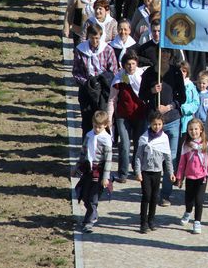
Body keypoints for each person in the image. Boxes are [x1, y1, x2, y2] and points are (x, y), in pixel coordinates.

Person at [139, 47, 186, 207]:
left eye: (168, 52)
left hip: (172, 120)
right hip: (154, 121)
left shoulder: (176, 73)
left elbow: (182, 98)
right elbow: (141, 95)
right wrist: (152, 90)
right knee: (150, 156)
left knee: (170, 158)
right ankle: (150, 190)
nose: (165, 55)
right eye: (162, 52)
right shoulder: (150, 73)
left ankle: (165, 194)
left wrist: (170, 107)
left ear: (171, 55)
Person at [106, 50, 147, 183]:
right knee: (124, 144)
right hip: (123, 116)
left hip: (140, 115)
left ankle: (136, 169)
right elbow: (112, 99)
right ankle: (122, 173)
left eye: (133, 63)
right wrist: (109, 117)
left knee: (138, 144)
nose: (131, 66)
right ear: (124, 65)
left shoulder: (143, 76)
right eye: (128, 64)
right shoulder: (119, 78)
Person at [72, 24, 119, 135]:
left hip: (103, 90)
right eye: (92, 38)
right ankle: (86, 146)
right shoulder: (81, 49)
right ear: (88, 36)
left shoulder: (107, 50)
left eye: (97, 38)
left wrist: (102, 81)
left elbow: (113, 70)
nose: (94, 41)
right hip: (87, 88)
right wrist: (86, 83)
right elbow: (76, 71)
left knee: (102, 119)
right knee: (87, 119)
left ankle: (104, 145)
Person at [135, 111, 176, 233]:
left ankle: (151, 220)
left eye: (159, 124)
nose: (157, 127)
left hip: (157, 171)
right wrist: (138, 172)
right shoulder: (144, 138)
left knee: (154, 197)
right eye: (154, 124)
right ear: (150, 124)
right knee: (146, 196)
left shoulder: (164, 139)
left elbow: (168, 158)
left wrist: (171, 173)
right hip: (146, 171)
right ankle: (143, 223)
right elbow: (138, 156)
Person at [72, 110, 112, 233]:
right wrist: (76, 167)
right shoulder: (89, 136)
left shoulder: (106, 139)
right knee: (83, 194)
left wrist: (105, 177)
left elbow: (108, 160)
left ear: (105, 125)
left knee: (93, 198)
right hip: (88, 170)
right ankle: (93, 214)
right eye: (95, 126)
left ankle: (89, 221)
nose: (97, 129)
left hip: (98, 171)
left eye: (100, 127)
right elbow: (83, 153)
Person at [176, 118, 208, 234]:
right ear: (187, 131)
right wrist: (179, 177)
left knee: (199, 200)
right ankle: (188, 212)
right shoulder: (186, 145)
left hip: (202, 176)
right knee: (189, 199)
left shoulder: (206, 145)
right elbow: (182, 162)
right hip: (190, 176)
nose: (194, 131)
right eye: (191, 129)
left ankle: (197, 222)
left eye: (196, 129)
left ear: (201, 130)